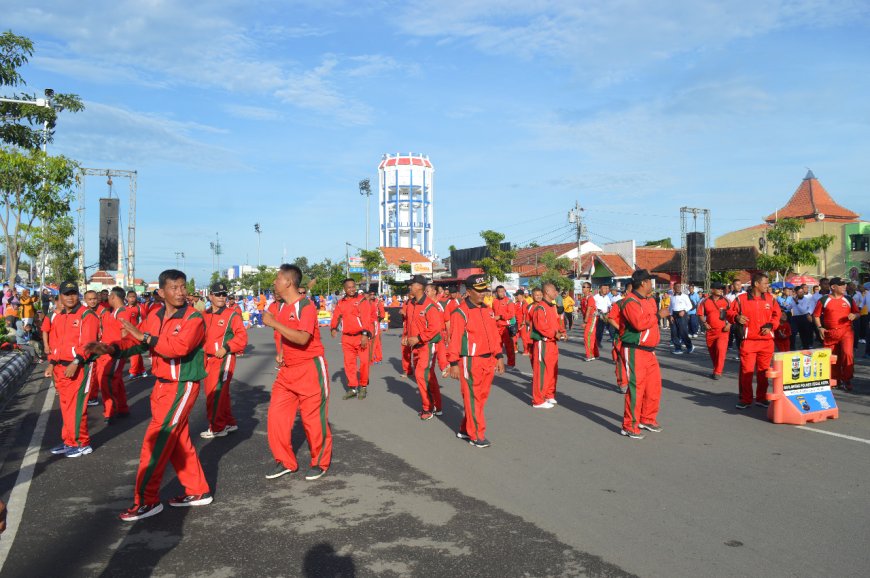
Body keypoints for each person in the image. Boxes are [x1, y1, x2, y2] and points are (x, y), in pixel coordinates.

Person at [85, 269, 212, 521]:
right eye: (174, 288)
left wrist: (142, 335)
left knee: (156, 440)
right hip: (162, 385)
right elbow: (137, 343)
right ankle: (198, 491)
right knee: (177, 440)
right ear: (161, 292)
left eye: (183, 286)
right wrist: (109, 347)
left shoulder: (194, 318)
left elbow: (177, 348)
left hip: (181, 385)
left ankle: (146, 501)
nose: (180, 292)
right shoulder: (155, 315)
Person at [261, 264, 331, 481]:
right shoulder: (280, 307)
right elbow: (278, 330)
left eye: (277, 278)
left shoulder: (306, 307)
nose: (274, 282)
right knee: (276, 418)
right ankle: (285, 461)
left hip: (309, 369)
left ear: (288, 282)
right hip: (287, 372)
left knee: (313, 421)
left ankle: (320, 462)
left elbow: (302, 338)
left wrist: (274, 323)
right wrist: (281, 351)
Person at [44, 281, 100, 458]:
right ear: (60, 296)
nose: (70, 297)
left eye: (73, 293)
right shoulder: (59, 316)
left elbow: (89, 344)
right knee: (66, 406)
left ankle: (81, 443)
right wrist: (52, 363)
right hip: (61, 368)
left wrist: (76, 362)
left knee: (76, 407)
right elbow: (56, 344)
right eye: (66, 294)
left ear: (78, 295)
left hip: (79, 367)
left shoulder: (87, 316)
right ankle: (69, 440)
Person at [448, 275, 505, 448]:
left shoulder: (487, 309)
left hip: (488, 360)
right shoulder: (460, 313)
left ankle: (466, 429)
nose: (483, 295)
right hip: (471, 361)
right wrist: (453, 363)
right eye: (479, 292)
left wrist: (499, 356)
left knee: (480, 398)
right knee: (473, 398)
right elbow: (455, 339)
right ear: (469, 291)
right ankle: (477, 434)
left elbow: (494, 335)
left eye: (484, 291)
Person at [618, 269, 669, 439]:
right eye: (650, 281)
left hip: (649, 351)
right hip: (634, 350)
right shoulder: (630, 301)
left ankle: (646, 418)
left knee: (653, 387)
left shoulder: (649, 300)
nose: (652, 284)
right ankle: (629, 425)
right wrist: (658, 315)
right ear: (643, 283)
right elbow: (639, 324)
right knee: (636, 388)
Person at [200, 281, 248, 438]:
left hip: (224, 358)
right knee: (222, 394)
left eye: (224, 294)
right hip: (208, 359)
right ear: (210, 296)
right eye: (218, 294)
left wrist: (226, 348)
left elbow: (242, 336)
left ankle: (217, 427)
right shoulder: (204, 315)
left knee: (215, 394)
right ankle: (228, 422)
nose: (222, 297)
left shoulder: (232, 315)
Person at [727, 273, 781, 410]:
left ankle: (761, 398)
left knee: (763, 372)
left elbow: (777, 315)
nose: (767, 286)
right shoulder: (741, 299)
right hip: (749, 341)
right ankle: (746, 399)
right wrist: (736, 317)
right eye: (765, 283)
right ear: (756, 284)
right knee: (747, 372)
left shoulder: (771, 299)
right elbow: (729, 313)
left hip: (766, 341)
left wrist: (771, 325)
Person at [402, 275, 445, 420]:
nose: (409, 287)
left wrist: (419, 338)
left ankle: (428, 407)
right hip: (416, 346)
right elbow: (409, 323)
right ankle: (438, 405)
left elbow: (435, 328)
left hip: (427, 345)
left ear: (419, 287)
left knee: (421, 374)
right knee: (428, 375)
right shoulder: (411, 304)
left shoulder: (430, 306)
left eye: (411, 285)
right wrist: (406, 336)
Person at [93, 287, 132, 423]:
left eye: (109, 296)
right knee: (117, 381)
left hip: (115, 353)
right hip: (108, 352)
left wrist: (123, 353)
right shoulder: (114, 312)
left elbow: (125, 333)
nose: (107, 298)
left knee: (107, 380)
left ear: (114, 297)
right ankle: (122, 408)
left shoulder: (122, 313)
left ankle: (111, 411)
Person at [330, 279, 373, 400]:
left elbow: (366, 318)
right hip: (347, 338)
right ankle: (353, 388)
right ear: (344, 289)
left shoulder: (362, 300)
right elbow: (336, 316)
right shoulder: (341, 302)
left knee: (364, 363)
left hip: (361, 336)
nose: (352, 289)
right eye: (349, 287)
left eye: (353, 287)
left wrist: (365, 335)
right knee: (349, 364)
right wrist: (333, 328)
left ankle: (363, 386)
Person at [814, 277, 859, 391]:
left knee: (847, 354)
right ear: (833, 287)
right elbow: (816, 315)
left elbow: (857, 312)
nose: (844, 287)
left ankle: (847, 379)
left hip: (846, 331)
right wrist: (820, 328)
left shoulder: (848, 299)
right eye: (841, 285)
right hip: (830, 333)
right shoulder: (824, 300)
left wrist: (854, 315)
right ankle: (835, 379)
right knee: (832, 357)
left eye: (845, 284)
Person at [528, 282, 566, 409]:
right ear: (547, 292)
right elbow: (541, 327)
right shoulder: (540, 308)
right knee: (542, 372)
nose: (556, 293)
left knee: (552, 370)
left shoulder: (552, 307)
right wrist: (554, 334)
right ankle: (538, 400)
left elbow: (556, 322)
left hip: (552, 343)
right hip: (543, 343)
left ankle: (549, 394)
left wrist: (561, 332)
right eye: (554, 290)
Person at [699, 282, 731, 380]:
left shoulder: (727, 300)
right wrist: (705, 324)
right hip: (710, 331)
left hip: (723, 331)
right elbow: (700, 314)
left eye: (722, 288)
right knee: (713, 352)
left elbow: (733, 313)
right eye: (718, 288)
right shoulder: (705, 301)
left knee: (721, 350)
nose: (721, 290)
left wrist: (729, 324)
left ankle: (718, 372)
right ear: (712, 290)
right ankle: (716, 369)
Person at [608, 281, 633, 393]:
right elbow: (611, 318)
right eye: (633, 290)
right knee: (621, 359)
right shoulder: (619, 304)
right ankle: (623, 383)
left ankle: (633, 382)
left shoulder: (639, 303)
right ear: (627, 291)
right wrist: (620, 328)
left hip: (634, 337)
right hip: (621, 337)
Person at [491, 285, 516, 367]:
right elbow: (492, 312)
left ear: (505, 291)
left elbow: (511, 314)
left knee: (509, 347)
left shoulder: (509, 301)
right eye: (499, 292)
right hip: (496, 327)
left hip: (506, 327)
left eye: (502, 291)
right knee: (497, 345)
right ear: (496, 293)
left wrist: (501, 316)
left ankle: (511, 363)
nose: (501, 293)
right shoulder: (494, 301)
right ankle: (496, 362)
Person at [125, 290, 149, 379]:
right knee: (136, 353)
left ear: (136, 297)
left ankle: (133, 372)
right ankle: (142, 370)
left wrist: (142, 334)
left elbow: (145, 321)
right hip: (127, 334)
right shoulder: (124, 308)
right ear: (127, 298)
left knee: (134, 352)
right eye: (130, 297)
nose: (132, 299)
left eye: (133, 297)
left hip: (137, 334)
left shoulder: (140, 307)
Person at [669, 285, 694, 354]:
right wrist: (671, 315)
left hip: (682, 314)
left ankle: (690, 346)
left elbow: (690, 305)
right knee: (674, 332)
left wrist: (684, 311)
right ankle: (678, 348)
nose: (678, 288)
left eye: (679, 287)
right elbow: (670, 307)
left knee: (683, 332)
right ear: (674, 288)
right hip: (674, 315)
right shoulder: (672, 297)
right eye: (676, 287)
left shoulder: (685, 296)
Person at [789, 285, 815, 350]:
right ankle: (792, 348)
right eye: (799, 292)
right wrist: (786, 307)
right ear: (796, 293)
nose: (801, 293)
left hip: (804, 317)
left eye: (802, 292)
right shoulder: (794, 298)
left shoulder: (806, 299)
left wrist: (797, 302)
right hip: (795, 318)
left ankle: (805, 348)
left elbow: (803, 310)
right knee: (792, 334)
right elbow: (790, 307)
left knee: (804, 334)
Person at [368, 288, 386, 364]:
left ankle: (374, 358)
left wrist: (377, 320)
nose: (372, 296)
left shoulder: (377, 302)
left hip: (374, 323)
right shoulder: (366, 302)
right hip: (367, 323)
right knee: (372, 341)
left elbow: (382, 314)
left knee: (375, 341)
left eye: (373, 294)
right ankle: (375, 358)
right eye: (370, 294)